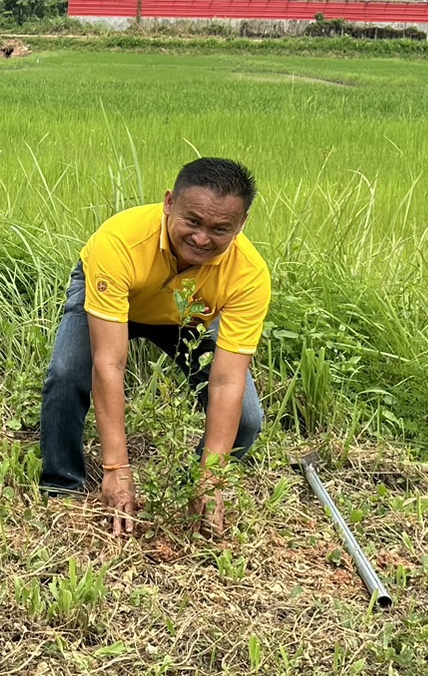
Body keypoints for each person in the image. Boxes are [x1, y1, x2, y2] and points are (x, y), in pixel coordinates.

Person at [39, 157, 269, 536]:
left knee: (246, 419)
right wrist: (116, 467)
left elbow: (228, 381)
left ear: (241, 225)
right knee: (66, 375)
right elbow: (108, 363)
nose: (201, 238)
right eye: (192, 221)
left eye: (220, 228)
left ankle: (192, 488)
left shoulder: (249, 274)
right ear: (168, 203)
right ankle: (63, 488)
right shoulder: (120, 241)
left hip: (188, 317)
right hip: (115, 302)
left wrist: (212, 477)